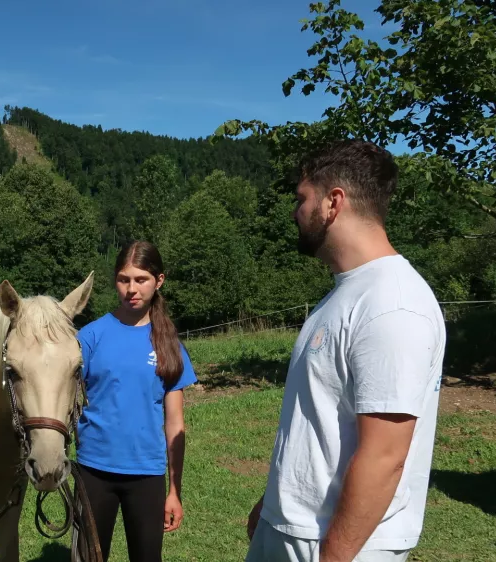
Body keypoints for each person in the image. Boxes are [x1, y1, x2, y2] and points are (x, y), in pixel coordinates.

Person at [245, 140, 446, 562]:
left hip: (338, 545)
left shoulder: (392, 303)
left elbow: (385, 454)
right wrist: (273, 505)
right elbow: (316, 418)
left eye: (302, 199)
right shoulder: (346, 292)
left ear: (333, 202)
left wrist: (333, 557)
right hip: (294, 529)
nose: (295, 212)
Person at [75, 240, 198, 562]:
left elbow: (175, 424)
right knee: (87, 557)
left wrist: (174, 491)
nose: (131, 288)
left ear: (158, 281)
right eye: (123, 279)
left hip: (147, 475)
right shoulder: (89, 337)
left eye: (141, 279)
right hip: (93, 471)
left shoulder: (169, 345)